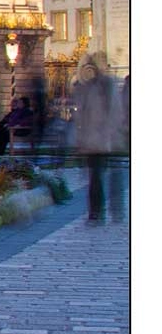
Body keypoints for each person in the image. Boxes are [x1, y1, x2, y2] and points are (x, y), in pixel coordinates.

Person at [71, 55, 122, 223]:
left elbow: (112, 114)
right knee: (97, 176)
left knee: (101, 176)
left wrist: (109, 133)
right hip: (94, 140)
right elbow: (82, 116)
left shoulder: (106, 87)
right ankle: (99, 211)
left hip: (103, 139)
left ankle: (104, 211)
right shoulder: (89, 87)